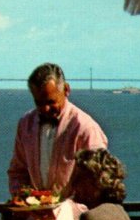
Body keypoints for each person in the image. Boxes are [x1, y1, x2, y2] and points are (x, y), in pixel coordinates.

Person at [7, 62, 108, 205]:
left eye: (51, 102)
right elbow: (18, 171)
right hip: (35, 219)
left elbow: (98, 180)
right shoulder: (25, 124)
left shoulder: (86, 128)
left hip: (75, 219)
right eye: (39, 103)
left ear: (66, 90)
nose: (45, 109)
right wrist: (22, 197)